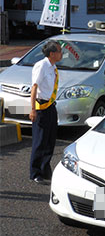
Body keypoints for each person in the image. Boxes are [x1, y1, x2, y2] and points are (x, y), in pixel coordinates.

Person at [29, 41, 62, 185]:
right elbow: (34, 88)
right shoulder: (41, 66)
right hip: (41, 106)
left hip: (50, 106)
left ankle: (45, 169)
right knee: (40, 141)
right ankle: (35, 172)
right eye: (60, 51)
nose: (62, 54)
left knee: (50, 139)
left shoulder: (53, 67)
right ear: (52, 54)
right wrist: (32, 109)